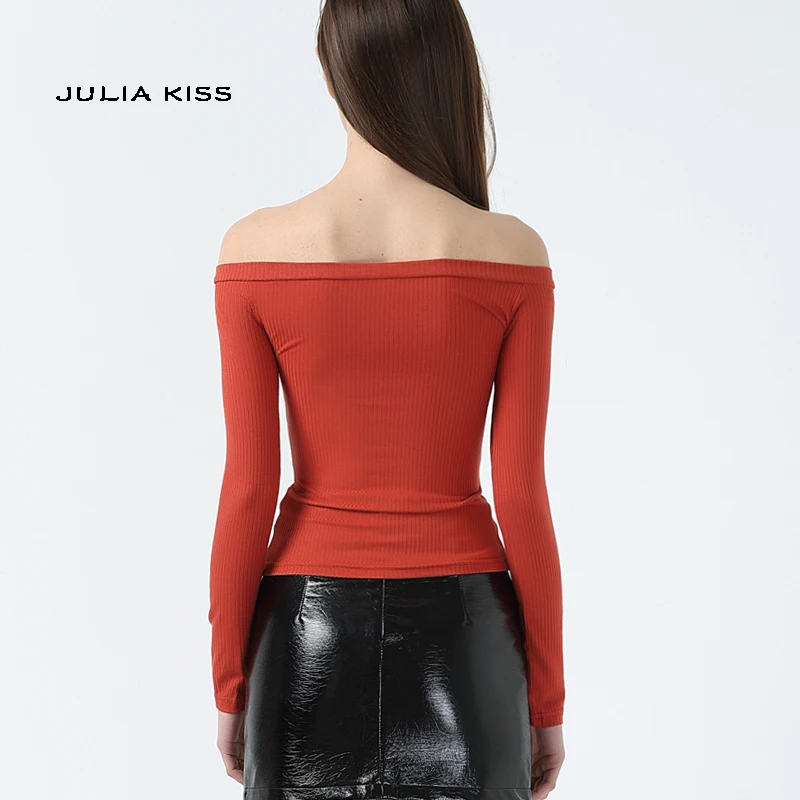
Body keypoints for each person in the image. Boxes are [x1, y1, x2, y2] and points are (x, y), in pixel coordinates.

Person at [207, 1, 566, 798]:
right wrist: (546, 704)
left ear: (328, 71)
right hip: (467, 643)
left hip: (305, 639)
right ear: (450, 73)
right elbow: (520, 495)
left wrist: (230, 684)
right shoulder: (511, 252)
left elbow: (249, 489)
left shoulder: (256, 248)